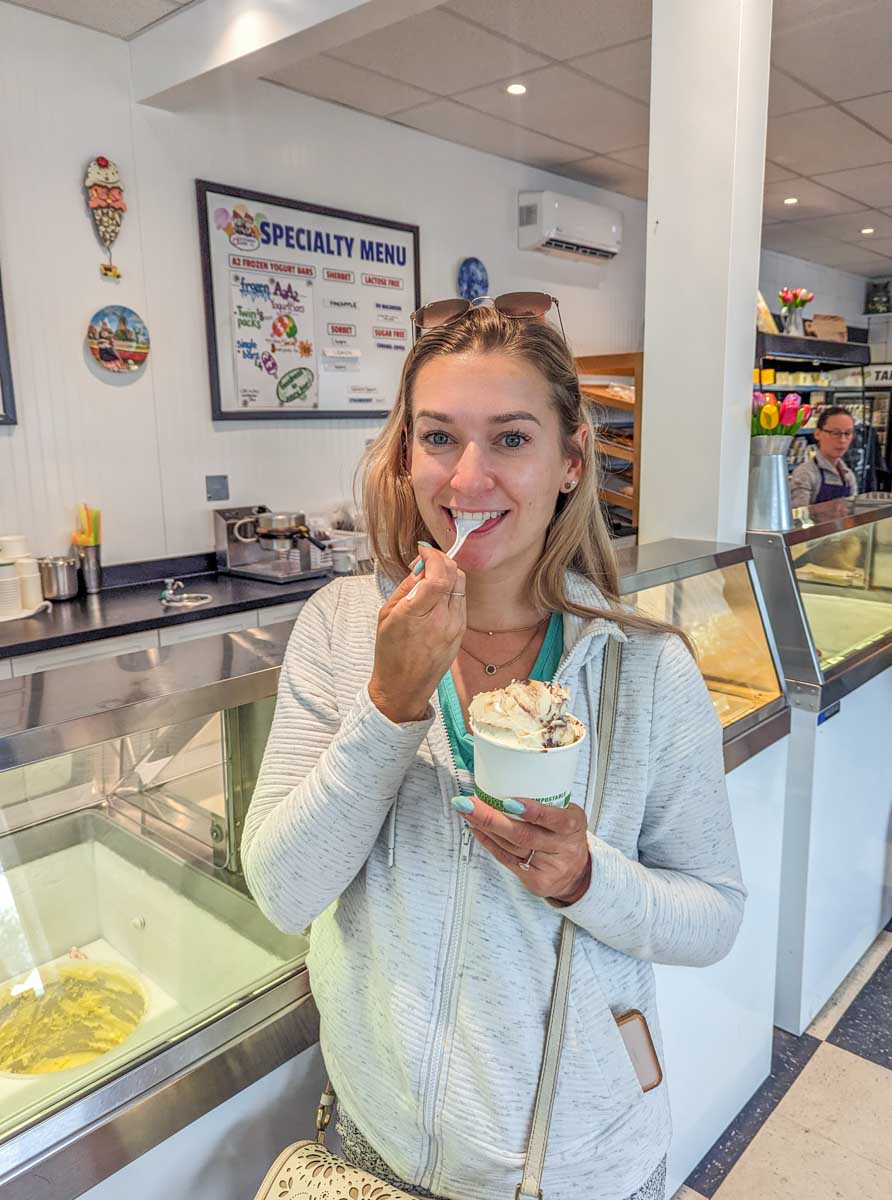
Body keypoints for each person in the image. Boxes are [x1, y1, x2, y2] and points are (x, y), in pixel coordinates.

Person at [242, 299, 745, 1200]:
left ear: (569, 462)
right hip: (375, 1155)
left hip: (582, 1168)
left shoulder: (648, 670)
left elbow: (713, 914)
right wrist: (390, 706)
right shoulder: (343, 628)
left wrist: (588, 879)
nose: (467, 478)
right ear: (405, 456)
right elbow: (283, 892)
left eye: (510, 439)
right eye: (439, 437)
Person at [789, 405, 858, 508]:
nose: (842, 440)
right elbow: (798, 519)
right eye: (835, 433)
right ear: (817, 434)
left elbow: (852, 512)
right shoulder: (805, 474)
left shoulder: (848, 476)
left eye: (847, 433)